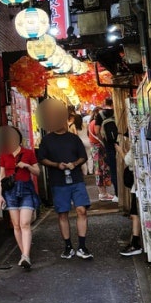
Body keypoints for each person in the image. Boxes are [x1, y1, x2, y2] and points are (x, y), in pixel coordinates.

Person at [38, 99, 92, 259]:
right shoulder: (47, 140)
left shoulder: (73, 138)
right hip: (58, 181)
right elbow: (42, 158)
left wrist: (74, 163)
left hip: (76, 179)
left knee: (82, 210)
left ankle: (82, 246)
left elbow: (83, 156)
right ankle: (68, 246)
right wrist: (57, 165)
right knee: (63, 213)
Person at [0, 126, 41, 270]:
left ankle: (26, 256)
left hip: (26, 190)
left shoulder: (28, 153)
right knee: (16, 225)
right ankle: (24, 255)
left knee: (25, 223)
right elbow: (1, 176)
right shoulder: (4, 155)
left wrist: (27, 166)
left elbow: (38, 172)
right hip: (10, 192)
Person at [118, 138, 142, 256]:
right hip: (140, 184)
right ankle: (135, 241)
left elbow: (128, 161)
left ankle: (135, 244)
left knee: (134, 214)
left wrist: (120, 151)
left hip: (138, 186)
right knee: (135, 213)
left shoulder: (136, 143)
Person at [98, 98, 119, 202]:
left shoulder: (100, 114)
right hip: (121, 142)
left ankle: (118, 194)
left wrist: (103, 141)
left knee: (114, 169)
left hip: (109, 146)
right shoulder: (118, 111)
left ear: (104, 103)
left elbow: (97, 131)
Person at [88, 108, 112, 199]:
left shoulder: (90, 123)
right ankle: (103, 193)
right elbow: (98, 134)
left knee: (99, 169)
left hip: (95, 149)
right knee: (100, 170)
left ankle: (103, 192)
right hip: (99, 149)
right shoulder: (95, 123)